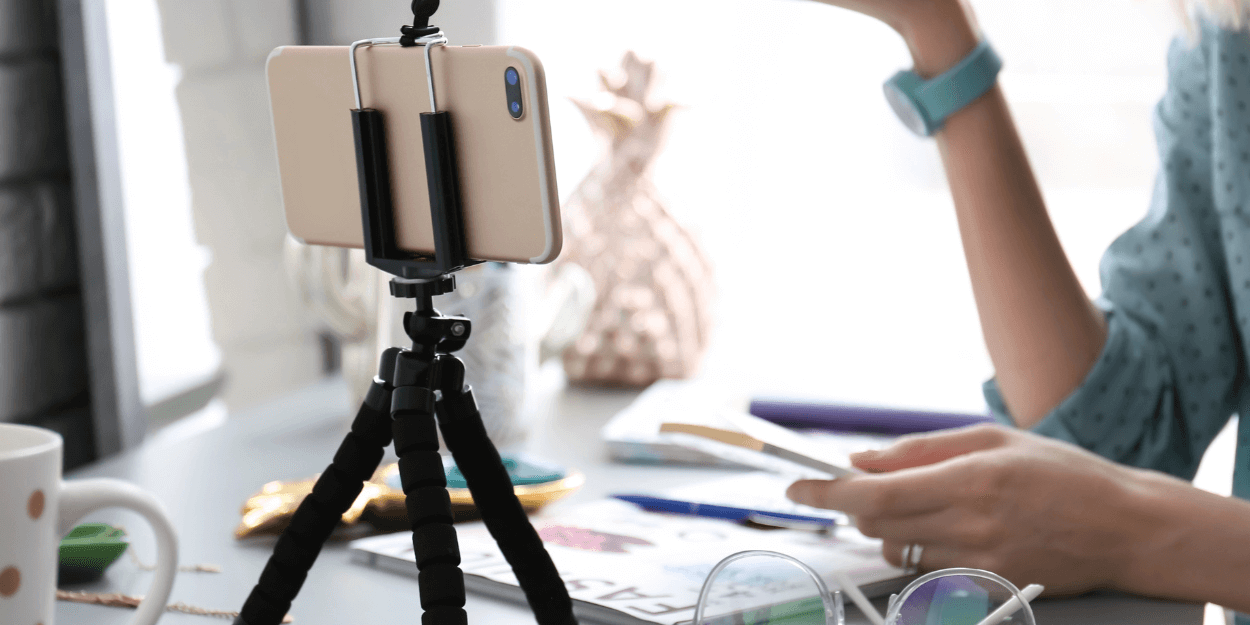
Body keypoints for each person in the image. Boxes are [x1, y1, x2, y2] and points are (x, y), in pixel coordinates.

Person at [782, 0, 1250, 617]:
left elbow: (1111, 512)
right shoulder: (1229, 33)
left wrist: (1131, 535)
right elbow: (1119, 440)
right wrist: (936, 28)